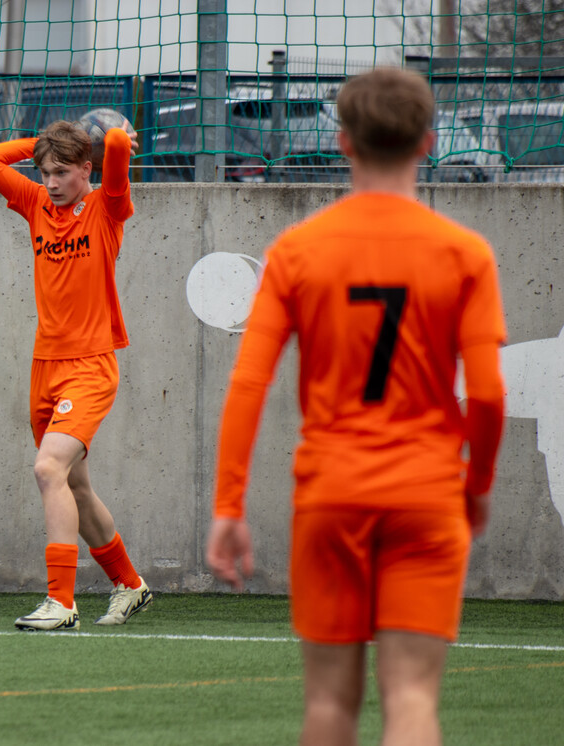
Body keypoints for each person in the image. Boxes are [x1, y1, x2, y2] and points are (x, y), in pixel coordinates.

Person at [206, 67, 507, 745]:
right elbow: (487, 392)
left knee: (329, 707)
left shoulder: (297, 251)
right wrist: (477, 486)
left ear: (341, 141)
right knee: (411, 698)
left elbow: (248, 385)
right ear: (429, 142)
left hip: (332, 494)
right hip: (428, 494)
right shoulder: (465, 254)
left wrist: (229, 506)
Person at [0, 119, 152, 630]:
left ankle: (62, 602)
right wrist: (43, 143)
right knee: (73, 486)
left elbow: (118, 148)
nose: (51, 182)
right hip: (44, 367)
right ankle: (129, 584)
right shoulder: (34, 204)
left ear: (85, 170)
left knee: (47, 469)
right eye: (44, 172)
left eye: (62, 171)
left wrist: (110, 136)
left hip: (91, 367)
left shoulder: (105, 209)